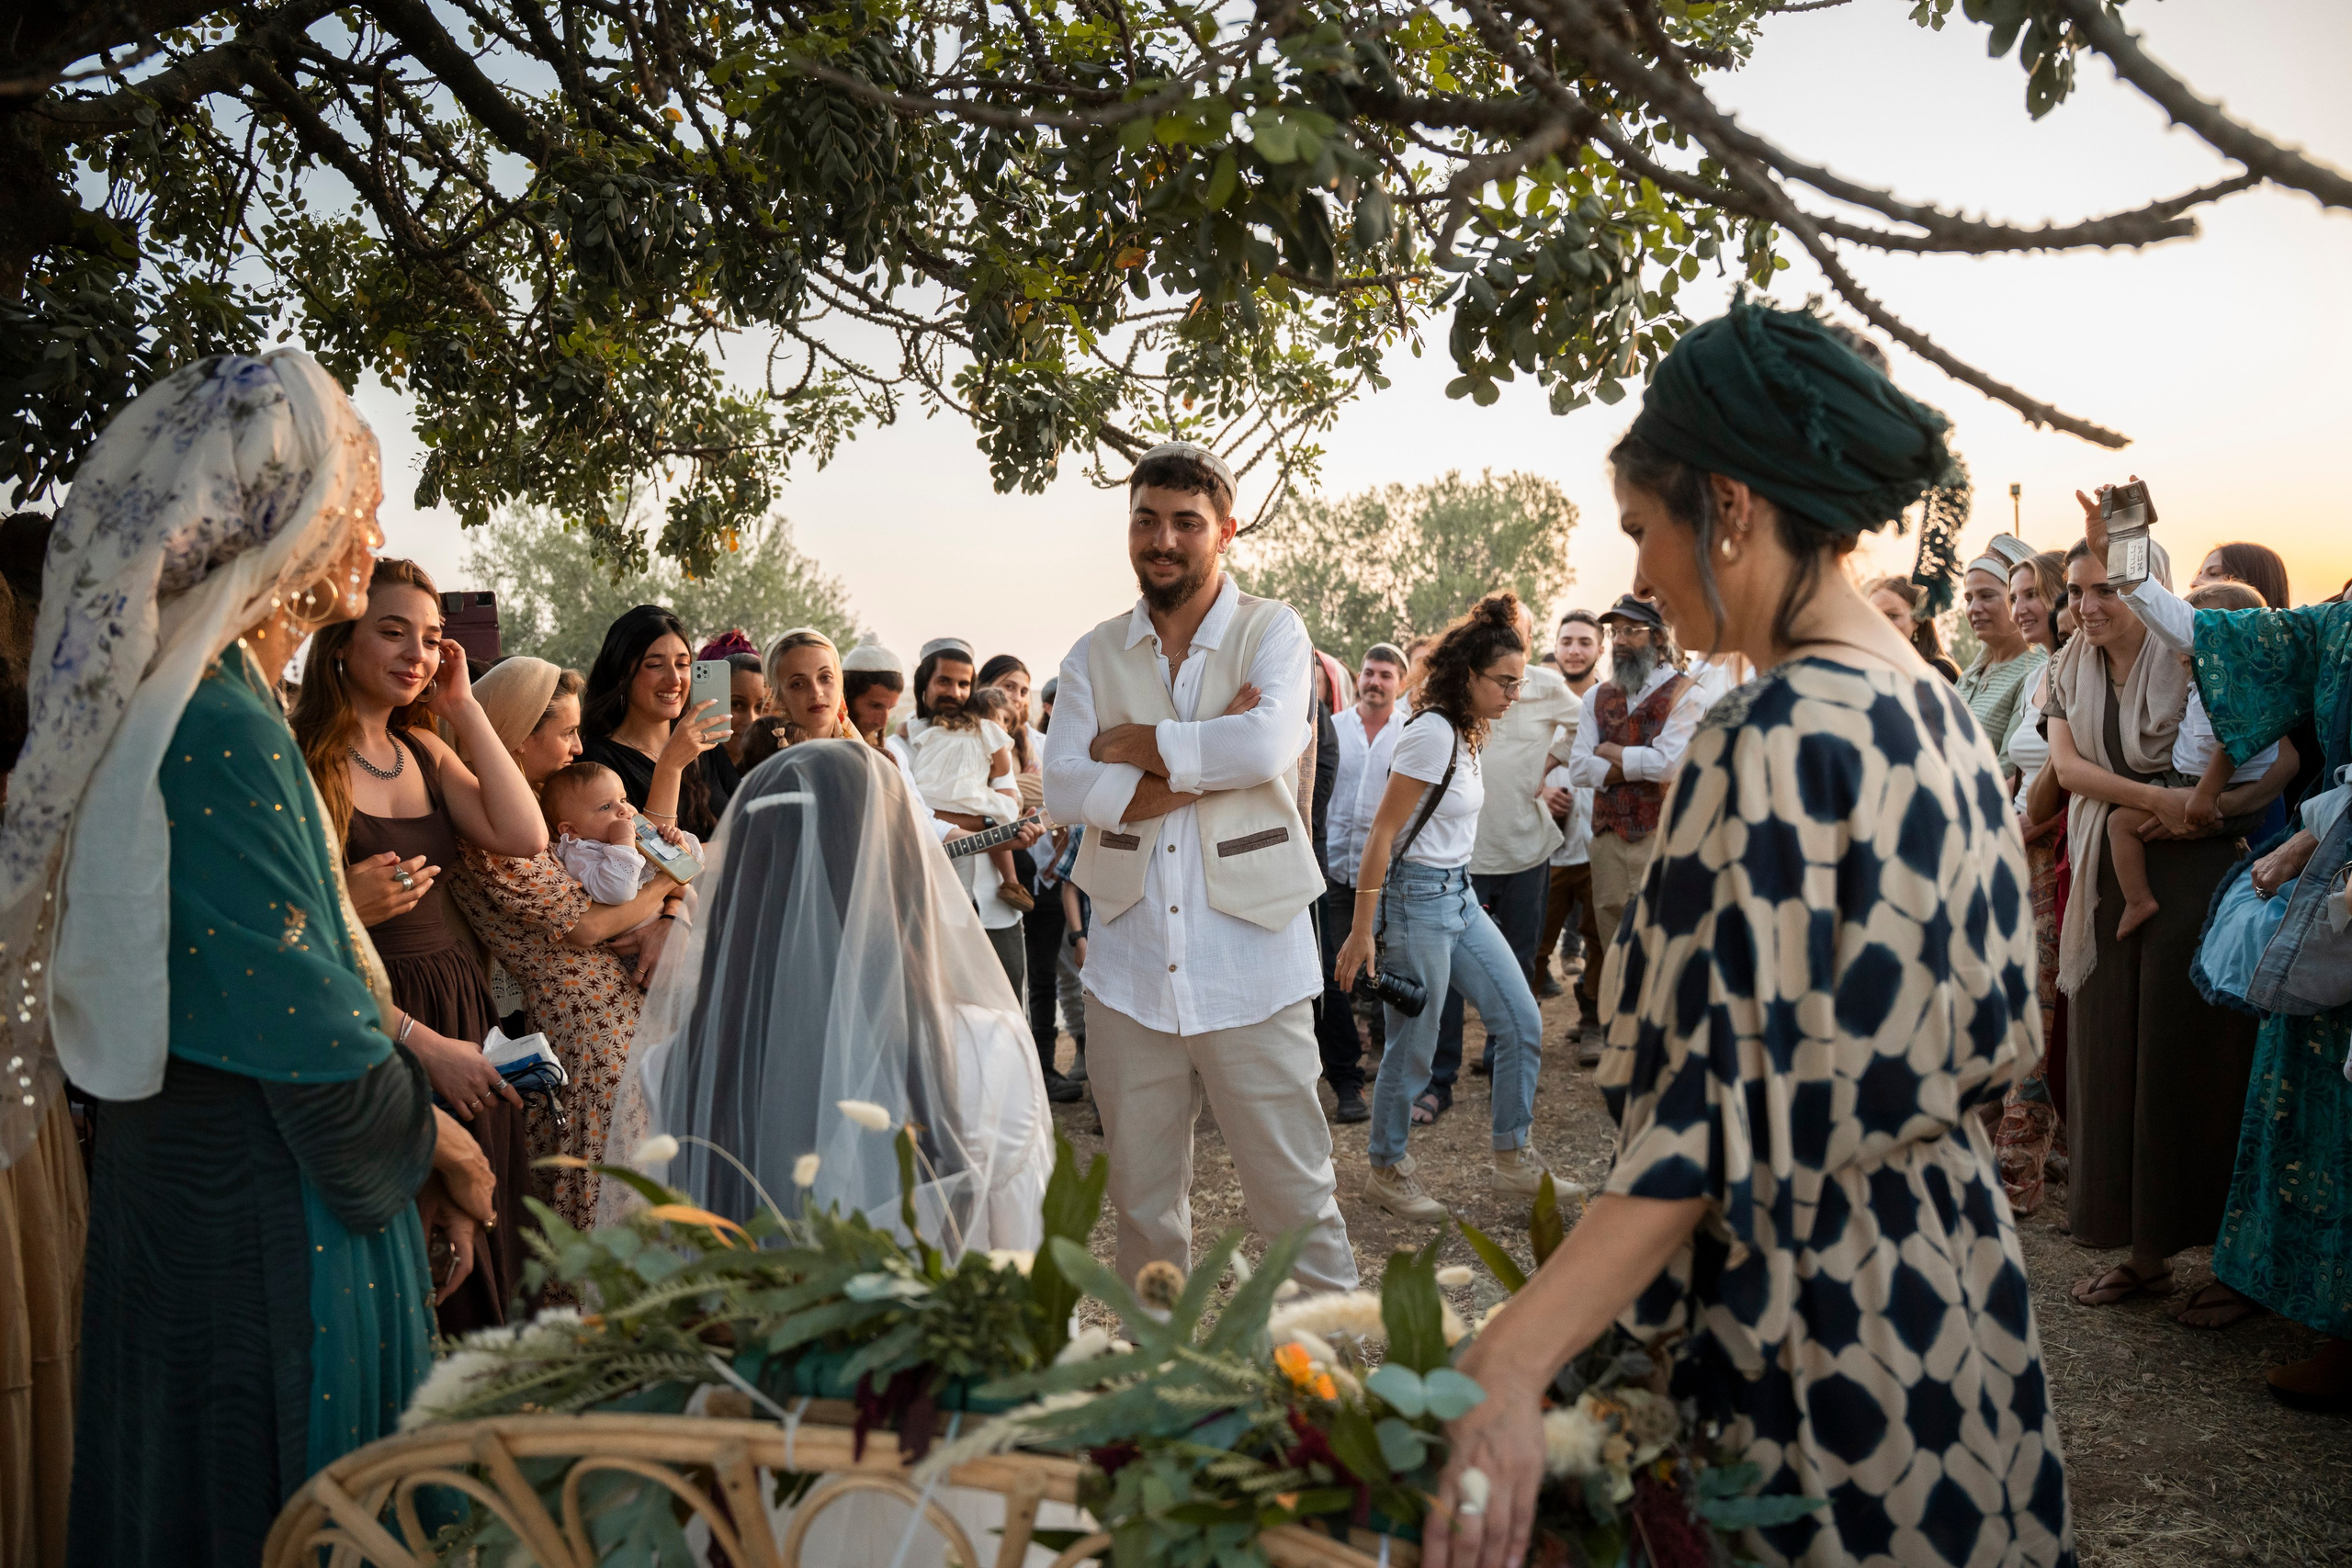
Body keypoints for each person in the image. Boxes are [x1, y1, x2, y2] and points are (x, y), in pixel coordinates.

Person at [1423, 302, 2070, 1568]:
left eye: (1642, 531)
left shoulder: (1773, 732)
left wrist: (1506, 1357)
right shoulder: (1931, 705)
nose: (1644, 579)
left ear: (1726, 507)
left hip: (1807, 1336)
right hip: (1952, 1303)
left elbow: (1713, 1122)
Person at [19, 354, 491, 1568]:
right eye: (359, 497)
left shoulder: (214, 692)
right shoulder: (214, 722)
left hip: (206, 1177)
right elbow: (307, 1024)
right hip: (262, 1205)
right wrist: (438, 1139)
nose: (373, 527)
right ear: (286, 517)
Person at [1041, 441, 1355, 1292]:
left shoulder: (1274, 630)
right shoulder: (1092, 651)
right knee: (1143, 1211)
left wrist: (1136, 749)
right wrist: (1203, 762)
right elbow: (1064, 788)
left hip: (1252, 962)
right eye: (1146, 519)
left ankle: (1324, 1402)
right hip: (1127, 973)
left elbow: (1261, 746)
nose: (1163, 539)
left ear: (1226, 531)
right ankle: (1157, 1397)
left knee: (1296, 1202)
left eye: (1186, 522)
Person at [2095, 502, 2350, 1401]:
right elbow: (2200, 630)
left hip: (2331, 861)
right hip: (2333, 907)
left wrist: (2309, 834)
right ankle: (2335, 1329)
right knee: (2316, 1113)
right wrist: (2123, 544)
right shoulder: (2333, 622)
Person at [619, 739, 1052, 1248]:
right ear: (903, 873)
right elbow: (1029, 1261)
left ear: (743, 887)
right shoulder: (985, 1047)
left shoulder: (678, 1067)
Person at [290, 557, 549, 1333]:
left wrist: (464, 708)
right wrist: (352, 907)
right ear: (341, 641)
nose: (417, 653)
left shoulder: (427, 752)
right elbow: (292, 922)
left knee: (484, 1235)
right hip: (376, 1011)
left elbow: (523, 834)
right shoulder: (308, 761)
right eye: (393, 631)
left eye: (433, 639)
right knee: (402, 1254)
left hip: (461, 1006)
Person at [2045, 524, 2259, 1314]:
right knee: (2109, 1055)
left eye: (2107, 587)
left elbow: (2264, 757)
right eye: (2075, 591)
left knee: (2185, 1064)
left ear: (2146, 587)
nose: (2088, 605)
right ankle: (2138, 1255)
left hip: (2194, 870)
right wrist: (2158, 799)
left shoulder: (2196, 662)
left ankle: (2221, 1257)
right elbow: (2068, 771)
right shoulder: (2064, 667)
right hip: (2110, 871)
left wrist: (2204, 811)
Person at [1333, 594, 1552, 1220]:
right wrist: (1362, 931)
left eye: (1520, 681)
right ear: (1469, 677)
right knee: (1415, 1046)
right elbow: (1381, 833)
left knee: (1521, 1021)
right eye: (1505, 682)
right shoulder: (1429, 732)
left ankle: (1515, 1158)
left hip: (1458, 893)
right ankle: (1386, 1166)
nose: (1515, 693)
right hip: (1415, 902)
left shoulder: (1469, 729)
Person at [452, 658, 679, 1235]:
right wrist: (670, 883)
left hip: (608, 1011)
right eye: (567, 733)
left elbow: (625, 864)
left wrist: (666, 897)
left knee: (631, 1182)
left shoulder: (532, 810)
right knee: (597, 1187)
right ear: (519, 741)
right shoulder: (490, 828)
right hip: (580, 1024)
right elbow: (587, 927)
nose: (578, 748)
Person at [1424, 604, 1581, 1116]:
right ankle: (1437, 1080)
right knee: (1446, 976)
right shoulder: (1461, 695)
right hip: (1463, 858)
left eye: (1523, 633)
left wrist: (1552, 763)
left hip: (1525, 850)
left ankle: (1501, 1062)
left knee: (1517, 964)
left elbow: (1585, 725)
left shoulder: (1544, 685)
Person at [2102, 581, 2295, 937]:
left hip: (2206, 789)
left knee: (2120, 825)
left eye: (2200, 635)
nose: (2182, 648)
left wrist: (2206, 797)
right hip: (2204, 788)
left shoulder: (2231, 690)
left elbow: (2231, 745)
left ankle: (2138, 900)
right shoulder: (2222, 684)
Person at [1566, 594, 1704, 1000]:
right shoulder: (1596, 697)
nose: (1619, 640)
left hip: (1663, 838)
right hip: (1608, 841)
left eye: (1631, 630)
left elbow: (1670, 765)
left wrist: (1611, 754)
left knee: (1665, 943)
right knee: (1615, 951)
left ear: (1659, 639)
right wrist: (1636, 762)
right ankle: (1622, 1047)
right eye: (1614, 631)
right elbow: (1578, 768)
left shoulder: (1687, 694)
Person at [1993, 548, 2073, 1216]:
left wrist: (2032, 825)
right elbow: (2016, 766)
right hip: (2017, 852)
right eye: (2014, 594)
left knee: (2040, 1012)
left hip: (2060, 851)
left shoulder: (2079, 667)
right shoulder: (2034, 675)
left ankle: (2017, 1173)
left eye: (2031, 594)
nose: (2021, 606)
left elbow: (2075, 768)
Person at [1317, 643, 1408, 1122]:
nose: (1374, 681)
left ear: (1400, 682)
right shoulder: (1334, 727)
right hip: (1333, 869)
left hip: (1385, 875)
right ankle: (1345, 1068)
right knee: (1334, 969)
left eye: (1385, 675)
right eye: (1369, 673)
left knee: (1383, 968)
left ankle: (1382, 1054)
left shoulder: (1409, 733)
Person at [580, 604, 729, 840]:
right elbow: (647, 864)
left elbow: (751, 836)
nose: (674, 680)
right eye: (655, 665)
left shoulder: (707, 745)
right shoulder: (596, 761)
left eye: (682, 664)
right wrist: (670, 766)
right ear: (622, 675)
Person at [1536, 611, 1602, 1020]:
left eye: (1584, 642)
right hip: (1543, 844)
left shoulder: (1612, 701)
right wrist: (1539, 789)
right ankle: (1515, 1036)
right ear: (1556, 645)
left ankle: (1592, 1018)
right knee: (1533, 942)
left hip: (1597, 842)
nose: (1574, 651)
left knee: (1599, 938)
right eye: (1567, 642)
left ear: (1600, 648)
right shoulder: (1532, 697)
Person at [543, 761, 702, 923]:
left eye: (624, 799)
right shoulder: (582, 855)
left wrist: (677, 843)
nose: (624, 810)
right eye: (606, 807)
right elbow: (618, 891)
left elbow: (694, 862)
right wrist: (623, 841)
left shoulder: (633, 835)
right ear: (572, 831)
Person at [1955, 535, 2048, 780]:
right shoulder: (1971, 675)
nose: (1974, 608)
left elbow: (2010, 770)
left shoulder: (2034, 673)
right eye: (1968, 598)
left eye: (1986, 596)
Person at [1864, 573, 1962, 682]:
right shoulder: (1864, 666)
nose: (1882, 623)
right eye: (1875, 615)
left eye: (1892, 616)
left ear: (1917, 620)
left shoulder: (1939, 670)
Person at [842, 639, 907, 742]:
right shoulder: (816, 744)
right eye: (876, 706)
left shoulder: (893, 751)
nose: (883, 723)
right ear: (846, 698)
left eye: (890, 709)